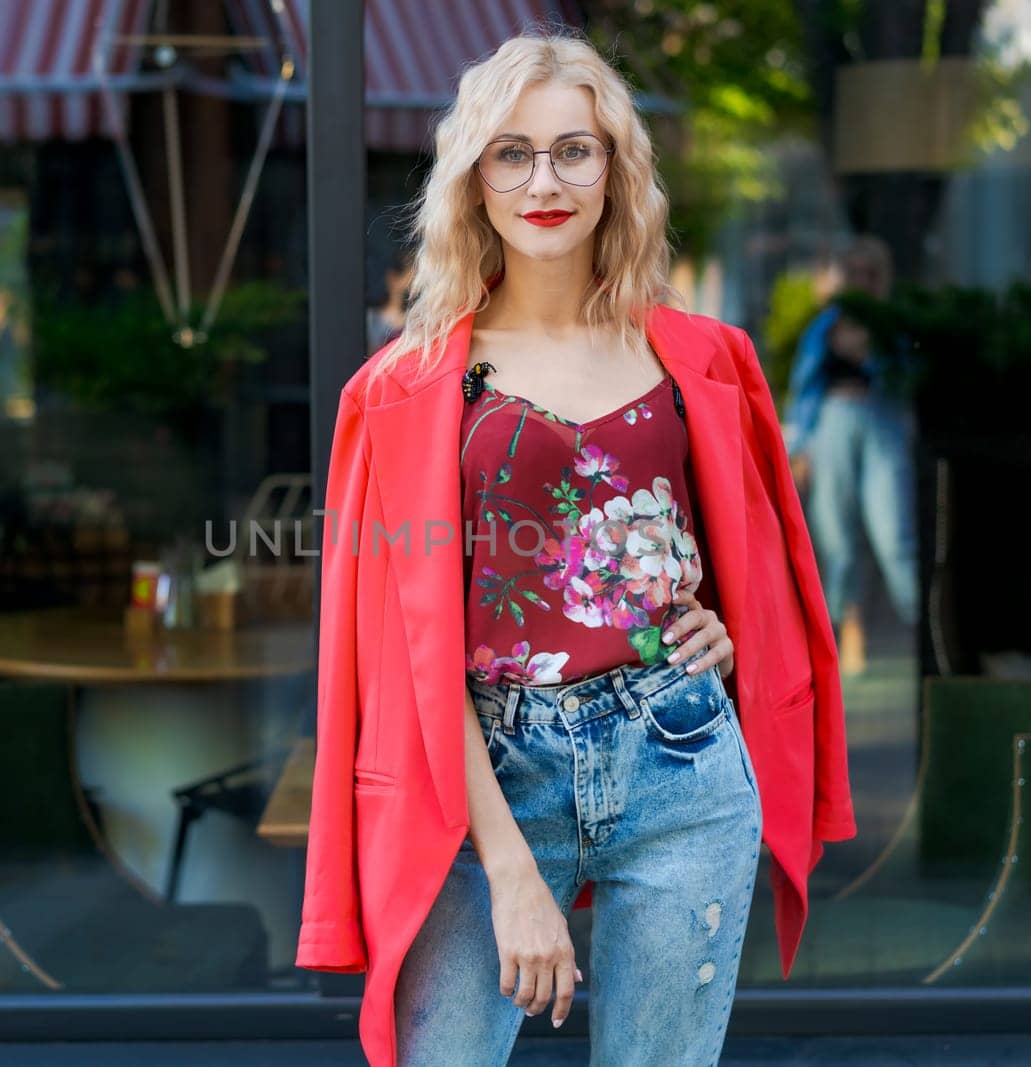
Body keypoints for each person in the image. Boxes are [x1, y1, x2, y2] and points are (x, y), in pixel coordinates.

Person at [297, 30, 856, 1067]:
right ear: (473, 180)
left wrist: (721, 628)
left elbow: (754, 556)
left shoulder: (703, 358)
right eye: (511, 153)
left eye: (573, 150)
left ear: (614, 171)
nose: (543, 180)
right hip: (480, 779)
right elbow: (403, 652)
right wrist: (509, 869)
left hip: (681, 762)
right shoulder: (404, 390)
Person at [783, 237, 920, 676]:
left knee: (893, 534)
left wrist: (875, 351)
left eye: (870, 272)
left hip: (881, 423)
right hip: (832, 424)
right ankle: (847, 633)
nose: (861, 280)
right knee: (835, 539)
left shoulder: (893, 326)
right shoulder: (824, 326)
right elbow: (804, 392)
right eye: (854, 271)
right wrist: (798, 447)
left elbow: (910, 380)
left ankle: (921, 629)